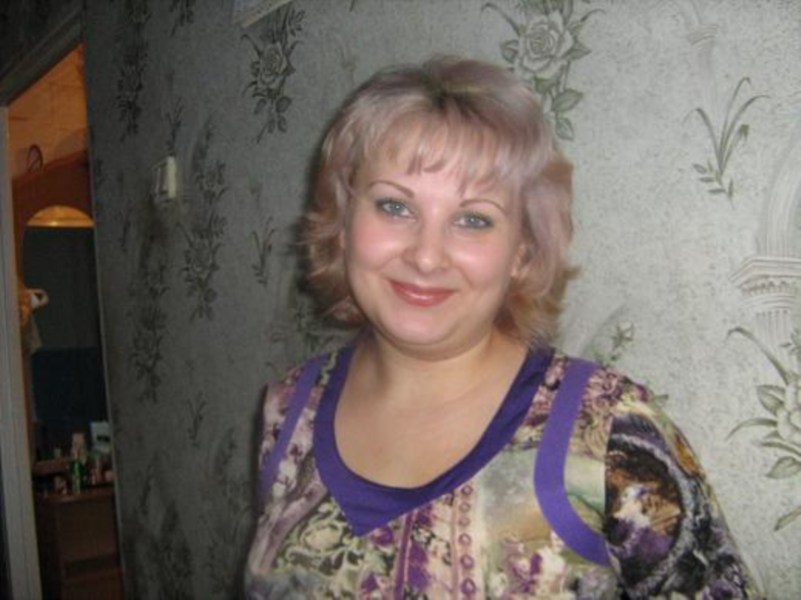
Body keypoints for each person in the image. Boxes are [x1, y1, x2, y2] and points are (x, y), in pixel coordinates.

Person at [245, 56, 760, 598]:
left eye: (473, 219)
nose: (426, 256)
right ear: (344, 223)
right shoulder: (290, 409)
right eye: (394, 206)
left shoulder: (613, 433)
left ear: (522, 251)